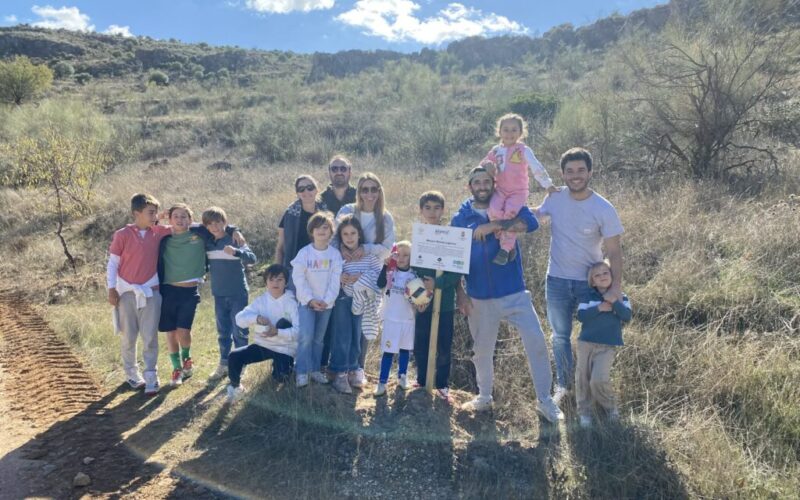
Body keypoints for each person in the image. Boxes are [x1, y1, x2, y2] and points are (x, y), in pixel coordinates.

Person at [452, 166, 562, 422]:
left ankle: (545, 401)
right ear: (470, 187)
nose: (481, 186)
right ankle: (484, 397)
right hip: (478, 296)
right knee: (481, 350)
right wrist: (461, 293)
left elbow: (530, 223)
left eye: (486, 181)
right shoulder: (461, 216)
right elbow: (453, 258)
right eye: (476, 182)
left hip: (514, 293)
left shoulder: (508, 203)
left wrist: (495, 226)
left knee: (536, 342)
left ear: (493, 183)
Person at [533, 147, 624, 406]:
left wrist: (614, 288)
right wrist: (504, 210)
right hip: (557, 281)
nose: (575, 176)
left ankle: (593, 388)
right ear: (562, 174)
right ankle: (565, 386)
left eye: (581, 170)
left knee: (592, 338)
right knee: (560, 336)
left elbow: (614, 251)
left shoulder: (603, 207)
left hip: (589, 284)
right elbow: (536, 215)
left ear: (590, 172)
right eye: (570, 171)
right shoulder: (555, 198)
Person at [335, 172, 396, 386]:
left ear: (379, 192)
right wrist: (342, 249)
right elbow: (335, 238)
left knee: (365, 321)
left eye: (373, 189)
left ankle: (358, 368)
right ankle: (341, 367)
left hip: (369, 276)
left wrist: (365, 248)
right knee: (344, 324)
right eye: (364, 189)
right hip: (346, 275)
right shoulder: (347, 211)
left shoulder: (385, 217)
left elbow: (388, 249)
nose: (369, 194)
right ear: (358, 191)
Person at [107, 193, 172, 396]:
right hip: (126, 293)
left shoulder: (159, 232)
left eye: (155, 212)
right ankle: (132, 374)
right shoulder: (123, 234)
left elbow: (186, 226)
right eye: (150, 212)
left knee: (150, 336)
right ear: (137, 213)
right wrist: (111, 288)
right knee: (129, 336)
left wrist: (233, 231)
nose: (154, 216)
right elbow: (113, 263)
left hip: (151, 292)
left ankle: (151, 374)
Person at [480, 113, 557, 266]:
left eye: (514, 130)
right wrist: (486, 166)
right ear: (499, 132)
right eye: (506, 129)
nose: (509, 133)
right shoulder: (495, 151)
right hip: (500, 189)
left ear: (521, 133)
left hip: (518, 192)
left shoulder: (523, 150)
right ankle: (509, 243)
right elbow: (482, 164)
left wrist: (548, 184)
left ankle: (505, 248)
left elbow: (536, 167)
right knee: (493, 210)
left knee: (509, 214)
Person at [412, 191, 462, 403]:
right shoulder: (419, 237)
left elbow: (457, 271)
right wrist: (420, 298)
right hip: (424, 303)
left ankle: (442, 385)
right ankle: (422, 379)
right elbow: (413, 271)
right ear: (421, 210)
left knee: (443, 345)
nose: (432, 212)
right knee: (421, 343)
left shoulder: (451, 236)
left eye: (436, 207)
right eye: (427, 208)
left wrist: (438, 283)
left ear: (443, 209)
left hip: (446, 304)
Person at [227, 264, 299, 403]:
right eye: (271, 279)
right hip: (263, 345)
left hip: (285, 348)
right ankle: (236, 388)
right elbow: (239, 319)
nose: (275, 283)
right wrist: (256, 318)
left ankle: (285, 367)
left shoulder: (292, 302)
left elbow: (299, 332)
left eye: (279, 279)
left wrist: (278, 331)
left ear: (286, 282)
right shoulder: (260, 301)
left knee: (281, 378)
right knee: (234, 356)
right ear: (265, 282)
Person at [202, 206, 258, 382]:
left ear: (224, 222)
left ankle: (240, 364)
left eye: (218, 222)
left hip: (237, 293)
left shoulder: (234, 239)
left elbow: (252, 258)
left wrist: (236, 251)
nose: (214, 226)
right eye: (210, 224)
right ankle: (224, 363)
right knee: (223, 332)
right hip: (219, 294)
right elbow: (193, 226)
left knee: (239, 330)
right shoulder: (209, 242)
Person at [575, 261, 631, 428]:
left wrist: (614, 302)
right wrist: (599, 308)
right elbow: (581, 316)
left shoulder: (621, 297)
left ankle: (610, 407)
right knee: (582, 379)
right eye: (597, 275)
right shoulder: (587, 297)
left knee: (598, 380)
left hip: (607, 346)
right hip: (585, 344)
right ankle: (585, 412)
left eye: (605, 273)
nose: (602, 277)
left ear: (612, 275)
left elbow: (627, 316)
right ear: (592, 281)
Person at [329, 215, 382, 394]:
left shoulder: (368, 256)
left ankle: (354, 369)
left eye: (353, 233)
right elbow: (329, 273)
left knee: (357, 335)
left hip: (363, 301)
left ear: (359, 234)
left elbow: (379, 276)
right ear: (341, 237)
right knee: (343, 335)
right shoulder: (337, 256)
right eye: (345, 234)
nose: (350, 237)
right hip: (343, 298)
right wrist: (339, 277)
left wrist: (362, 278)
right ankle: (340, 373)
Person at [157, 204, 207, 387]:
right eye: (176, 216)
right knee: (171, 331)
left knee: (183, 331)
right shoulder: (163, 238)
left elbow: (219, 225)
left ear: (190, 219)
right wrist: (158, 217)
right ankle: (176, 369)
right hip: (168, 290)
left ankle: (187, 358)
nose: (180, 220)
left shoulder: (200, 236)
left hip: (189, 291)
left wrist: (235, 231)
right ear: (169, 219)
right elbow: (145, 228)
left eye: (184, 216)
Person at [291, 211, 342, 387]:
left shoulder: (335, 255)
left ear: (331, 231)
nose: (321, 231)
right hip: (306, 303)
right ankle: (302, 371)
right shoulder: (304, 253)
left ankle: (314, 370)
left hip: (326, 305)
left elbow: (336, 281)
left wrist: (327, 301)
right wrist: (310, 299)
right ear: (311, 231)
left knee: (318, 339)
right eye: (317, 228)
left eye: (325, 227)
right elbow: (298, 279)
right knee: (306, 336)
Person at [374, 241, 420, 397]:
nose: (401, 258)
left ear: (412, 257)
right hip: (391, 319)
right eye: (398, 254)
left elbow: (419, 296)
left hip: (408, 319)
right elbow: (380, 284)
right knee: (388, 351)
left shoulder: (414, 275)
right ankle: (382, 382)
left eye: (406, 255)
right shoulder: (390, 272)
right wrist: (385, 266)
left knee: (405, 350)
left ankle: (402, 376)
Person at [275, 175, 326, 289]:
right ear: (297, 193)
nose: (306, 191)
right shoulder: (289, 214)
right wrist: (278, 272)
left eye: (310, 187)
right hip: (295, 268)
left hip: (322, 267)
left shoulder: (326, 212)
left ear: (316, 189)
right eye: (301, 189)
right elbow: (280, 247)